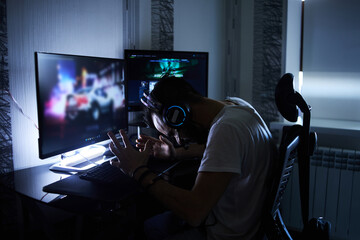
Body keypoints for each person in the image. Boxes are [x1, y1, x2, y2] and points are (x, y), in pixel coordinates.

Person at [107, 77, 275, 240]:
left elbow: (194, 212)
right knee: (153, 226)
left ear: (179, 113)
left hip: (225, 234)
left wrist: (138, 171)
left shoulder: (226, 129)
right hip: (249, 224)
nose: (178, 140)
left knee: (144, 227)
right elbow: (221, 151)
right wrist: (175, 153)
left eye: (173, 132)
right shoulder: (238, 107)